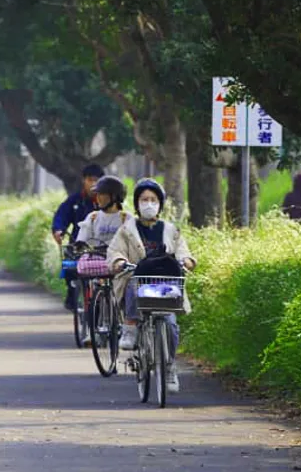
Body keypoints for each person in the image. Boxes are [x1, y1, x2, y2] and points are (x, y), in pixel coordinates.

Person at [108, 178, 195, 392]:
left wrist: (187, 260)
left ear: (160, 204)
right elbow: (115, 251)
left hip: (165, 285)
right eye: (144, 199)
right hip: (139, 282)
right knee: (132, 284)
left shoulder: (170, 229)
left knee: (171, 325)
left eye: (153, 200)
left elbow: (182, 250)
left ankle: (169, 367)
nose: (149, 204)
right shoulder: (126, 230)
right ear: (137, 204)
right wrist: (119, 262)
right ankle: (130, 327)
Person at [53, 164, 105, 311]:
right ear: (84, 180)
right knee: (71, 269)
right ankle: (72, 293)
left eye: (96, 180)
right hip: (79, 246)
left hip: (104, 246)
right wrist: (58, 230)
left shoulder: (108, 202)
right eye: (90, 180)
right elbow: (61, 216)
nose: (93, 184)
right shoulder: (75, 201)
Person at [74, 175, 130, 250]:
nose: (98, 197)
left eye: (102, 194)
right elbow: (81, 241)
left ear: (114, 196)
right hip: (94, 257)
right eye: (97, 194)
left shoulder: (127, 218)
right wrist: (80, 245)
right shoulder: (92, 218)